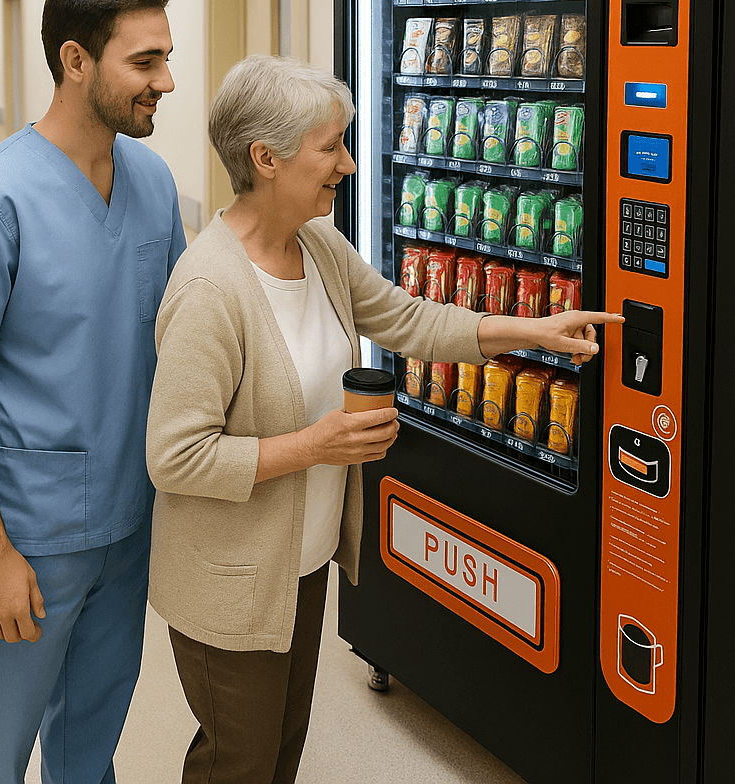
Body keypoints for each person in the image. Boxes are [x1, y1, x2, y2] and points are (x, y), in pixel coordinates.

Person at [145, 54, 622, 784]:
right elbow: (175, 457)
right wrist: (316, 445)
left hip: (300, 562)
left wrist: (534, 330)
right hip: (233, 577)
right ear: (266, 159)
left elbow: (408, 319)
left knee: (279, 752)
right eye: (330, 147)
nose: (347, 163)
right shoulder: (210, 289)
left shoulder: (318, 246)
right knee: (237, 763)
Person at [0, 0, 187, 784]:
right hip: (28, 533)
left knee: (90, 747)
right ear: (76, 61)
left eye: (166, 58)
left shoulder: (152, 182)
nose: (166, 81)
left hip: (128, 521)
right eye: (144, 62)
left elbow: (175, 334)